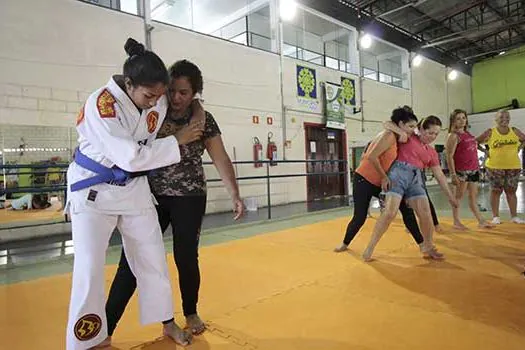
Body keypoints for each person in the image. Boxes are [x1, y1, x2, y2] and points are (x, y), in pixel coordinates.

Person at [65, 39, 204, 350]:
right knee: (89, 267)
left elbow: (184, 99)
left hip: (134, 190)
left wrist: (197, 107)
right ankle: (88, 342)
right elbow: (129, 157)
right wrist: (177, 140)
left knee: (153, 258)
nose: (155, 103)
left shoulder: (155, 98)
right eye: (148, 96)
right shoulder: (102, 105)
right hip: (93, 191)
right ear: (128, 84)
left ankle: (167, 322)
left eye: (159, 96)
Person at [104, 59, 245, 345]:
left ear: (195, 93)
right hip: (148, 196)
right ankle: (104, 327)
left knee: (185, 257)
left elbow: (220, 157)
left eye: (184, 92)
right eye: (173, 91)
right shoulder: (154, 111)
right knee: (131, 261)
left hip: (189, 196)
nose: (177, 98)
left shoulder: (203, 119)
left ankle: (190, 312)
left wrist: (234, 193)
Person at [334, 107, 441, 259]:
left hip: (382, 181)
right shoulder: (390, 135)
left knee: (406, 210)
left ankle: (423, 245)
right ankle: (345, 243)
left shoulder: (402, 137)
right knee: (360, 217)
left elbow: (400, 128)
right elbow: (372, 156)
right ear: (401, 124)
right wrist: (384, 176)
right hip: (364, 179)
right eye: (410, 126)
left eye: (414, 127)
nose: (413, 130)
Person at [362, 116, 459, 262]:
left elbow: (440, 176)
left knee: (426, 213)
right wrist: (400, 132)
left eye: (436, 134)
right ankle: (370, 248)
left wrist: (450, 196)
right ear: (420, 129)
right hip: (398, 174)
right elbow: (386, 123)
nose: (432, 137)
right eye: (430, 133)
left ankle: (428, 246)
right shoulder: (409, 137)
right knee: (389, 213)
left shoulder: (432, 153)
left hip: (416, 179)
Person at [445, 109, 492, 229]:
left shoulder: (468, 134)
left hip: (473, 169)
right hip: (462, 171)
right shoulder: (453, 136)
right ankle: (456, 221)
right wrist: (453, 174)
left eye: (463, 118)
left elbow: (473, 144)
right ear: (453, 121)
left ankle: (481, 220)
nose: (462, 121)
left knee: (473, 196)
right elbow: (449, 155)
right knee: (458, 197)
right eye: (458, 118)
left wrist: (484, 150)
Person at [476, 109, 525, 224]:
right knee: (495, 191)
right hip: (494, 167)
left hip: (513, 166)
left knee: (511, 191)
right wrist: (485, 151)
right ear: (496, 119)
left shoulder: (514, 131)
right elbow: (475, 142)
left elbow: (524, 139)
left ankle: (514, 216)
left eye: (507, 117)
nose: (505, 119)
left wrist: (520, 147)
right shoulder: (490, 132)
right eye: (501, 117)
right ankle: (496, 217)